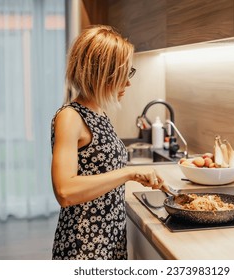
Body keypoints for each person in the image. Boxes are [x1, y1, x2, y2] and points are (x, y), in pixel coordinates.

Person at [50, 25, 165, 260]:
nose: (128, 83)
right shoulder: (70, 117)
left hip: (110, 238)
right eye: (124, 74)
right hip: (85, 245)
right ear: (101, 73)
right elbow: (65, 191)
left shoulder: (99, 113)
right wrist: (128, 174)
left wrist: (133, 174)